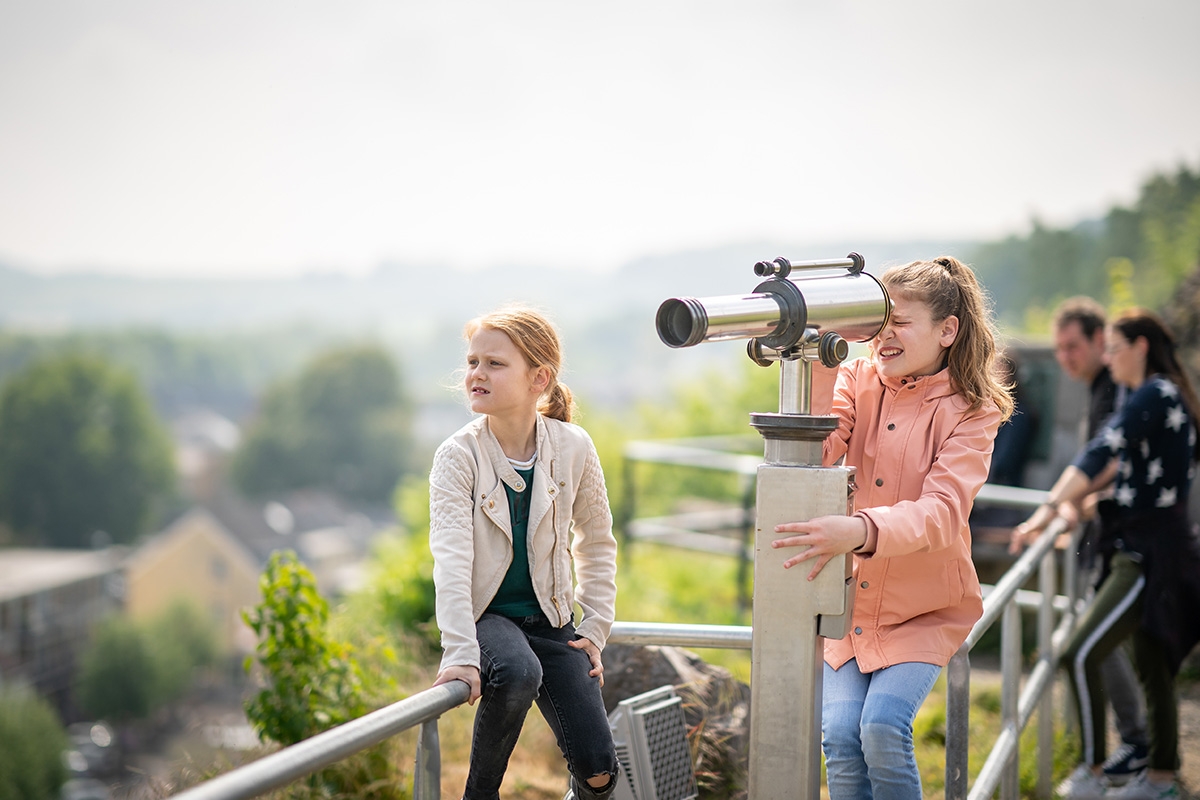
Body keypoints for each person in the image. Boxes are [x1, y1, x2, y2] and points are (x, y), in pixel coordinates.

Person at [771, 256, 1014, 799]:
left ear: (947, 330)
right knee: (839, 734)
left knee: (881, 727)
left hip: (923, 608)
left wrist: (857, 531)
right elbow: (820, 454)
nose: (885, 336)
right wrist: (824, 361)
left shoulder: (972, 411)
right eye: (879, 321)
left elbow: (944, 511)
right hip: (852, 604)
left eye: (901, 322)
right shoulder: (858, 380)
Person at [428, 306, 619, 800]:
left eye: (494, 363)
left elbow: (596, 541)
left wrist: (595, 628)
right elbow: (450, 562)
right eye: (472, 362)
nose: (476, 374)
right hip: (487, 617)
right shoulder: (457, 456)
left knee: (600, 772)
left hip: (553, 619)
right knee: (517, 671)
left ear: (540, 378)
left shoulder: (574, 446)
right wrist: (460, 653)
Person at [1011, 309, 1200, 800]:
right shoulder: (1160, 396)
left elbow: (1102, 449)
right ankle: (1160, 780)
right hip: (1152, 546)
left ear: (1139, 348)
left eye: (1115, 349)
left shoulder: (1154, 394)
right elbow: (1141, 479)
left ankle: (1093, 772)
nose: (1110, 360)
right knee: (1152, 665)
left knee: (1078, 654)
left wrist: (1048, 509)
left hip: (1148, 553)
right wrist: (1090, 502)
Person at [1032, 296, 1150, 786]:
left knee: (1096, 642)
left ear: (1104, 342)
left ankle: (1129, 749)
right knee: (1105, 642)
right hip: (1109, 534)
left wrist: (1073, 505)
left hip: (1126, 538)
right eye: (1058, 349)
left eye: (1073, 346)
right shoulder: (1104, 388)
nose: (1065, 358)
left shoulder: (1117, 391)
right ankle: (1135, 745)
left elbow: (1113, 461)